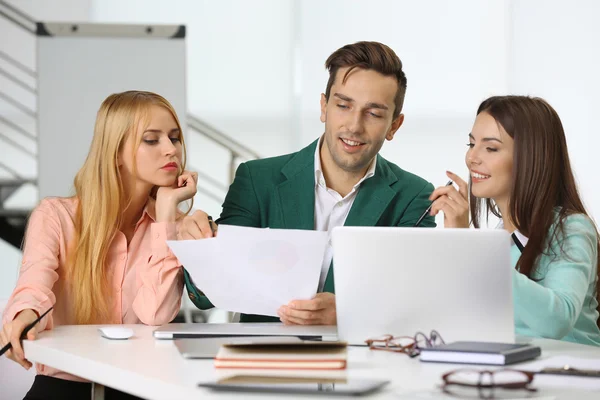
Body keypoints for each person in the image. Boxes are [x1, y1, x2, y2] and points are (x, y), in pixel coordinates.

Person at [179, 41, 435, 325]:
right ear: (324, 107)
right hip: (266, 357)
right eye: (343, 105)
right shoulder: (257, 179)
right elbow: (208, 296)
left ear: (394, 126)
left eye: (373, 114)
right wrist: (200, 249)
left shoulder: (416, 196)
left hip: (362, 360)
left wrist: (349, 312)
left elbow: (416, 301)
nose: (354, 126)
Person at [0, 90, 198, 398]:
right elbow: (34, 285)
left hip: (139, 389)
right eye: (152, 139)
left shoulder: (173, 228)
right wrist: (23, 315)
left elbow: (155, 315)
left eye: (174, 138)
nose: (170, 150)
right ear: (116, 152)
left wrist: (167, 213)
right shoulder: (55, 216)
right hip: (62, 389)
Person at [429, 95, 600, 346]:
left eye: (491, 148)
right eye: (471, 143)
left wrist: (471, 247)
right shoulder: (499, 237)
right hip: (511, 369)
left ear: (530, 158)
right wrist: (459, 240)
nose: (472, 158)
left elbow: (557, 320)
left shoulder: (571, 228)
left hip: (571, 372)